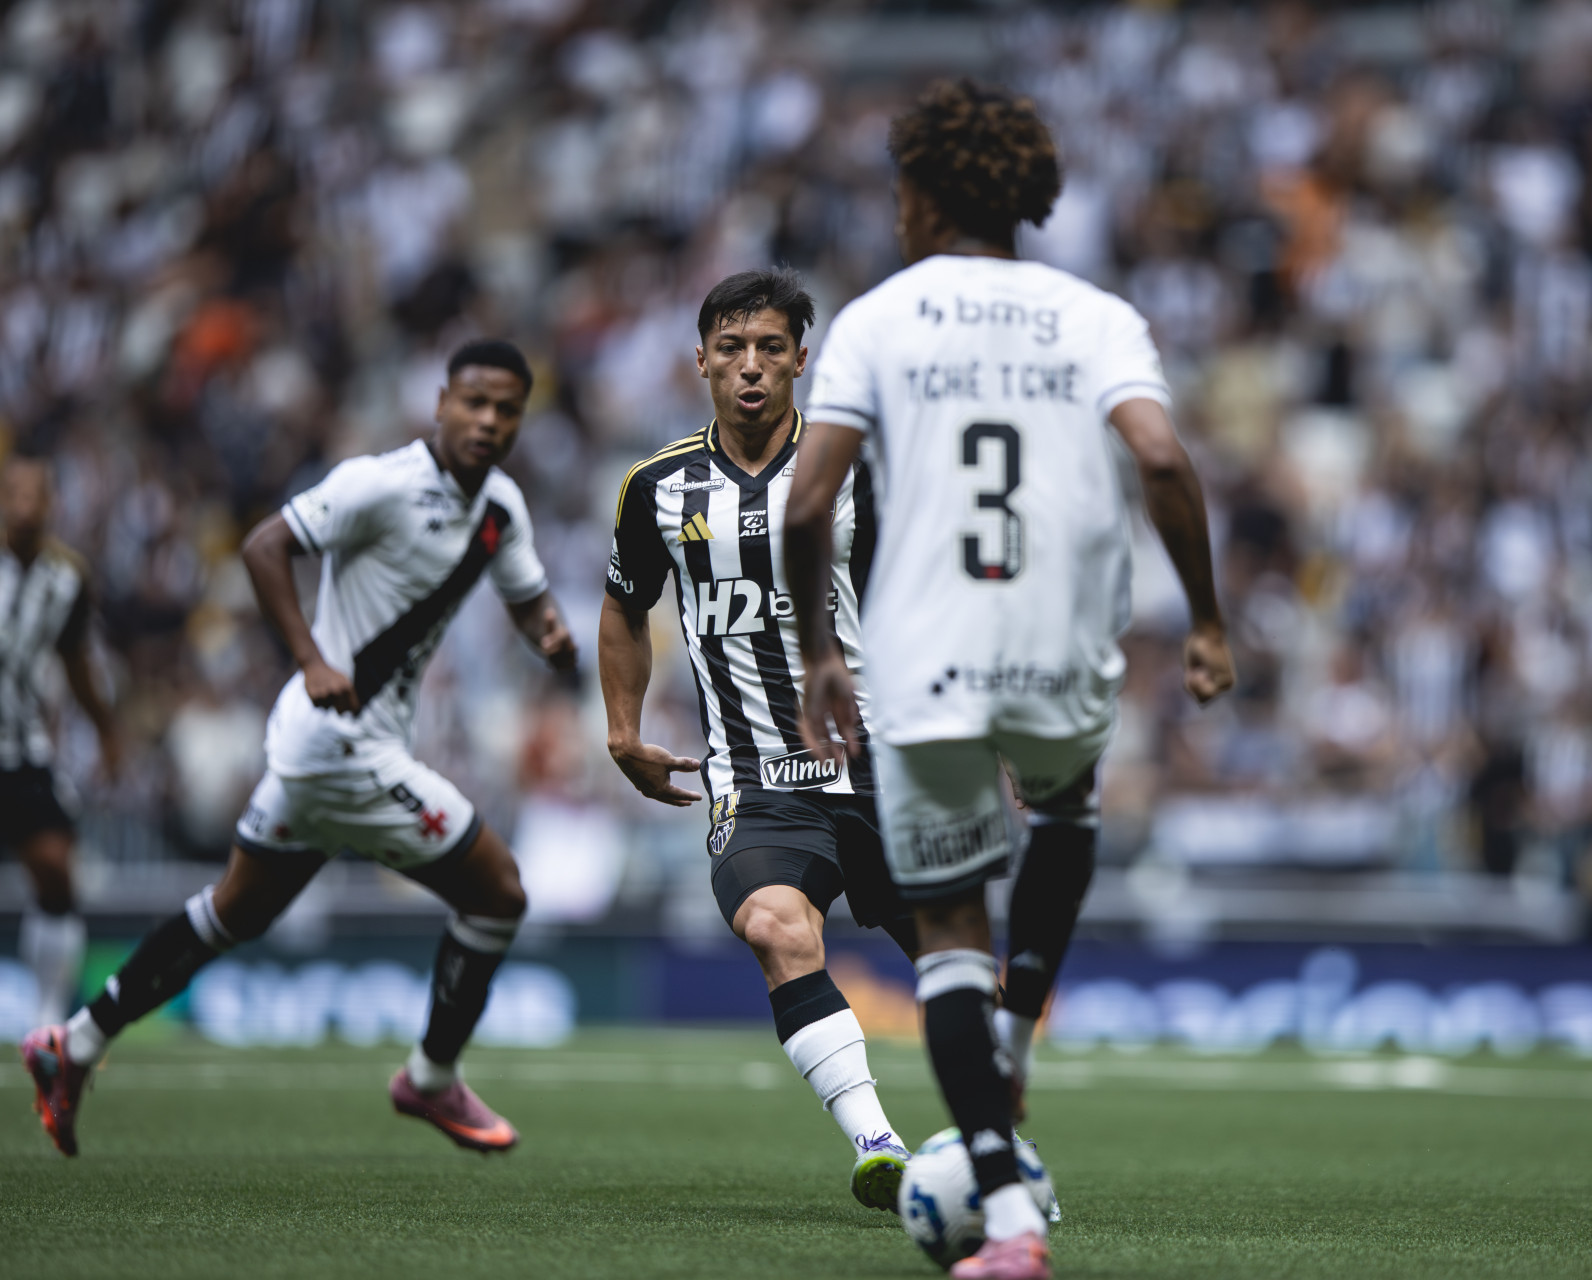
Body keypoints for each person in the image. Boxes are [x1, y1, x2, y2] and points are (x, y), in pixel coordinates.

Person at [785, 80, 1235, 1279]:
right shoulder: (1097, 317)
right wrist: (1206, 619)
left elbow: (811, 502)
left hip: (923, 660)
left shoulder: (878, 320)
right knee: (1067, 804)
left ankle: (1008, 1218)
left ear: (924, 193)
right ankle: (1020, 1026)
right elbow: (1161, 459)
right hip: (1059, 645)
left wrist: (822, 652)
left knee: (946, 936)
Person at [19, 339, 576, 1158]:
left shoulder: (500, 508)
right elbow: (264, 545)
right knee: (498, 892)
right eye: (474, 402)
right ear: (440, 404)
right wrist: (312, 659)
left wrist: (548, 632)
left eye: (506, 410)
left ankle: (73, 1042)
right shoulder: (378, 484)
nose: (488, 421)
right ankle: (430, 1078)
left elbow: (528, 597)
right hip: (340, 743)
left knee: (231, 913)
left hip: (327, 745)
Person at [600, 267, 917, 1211]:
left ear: (800, 360)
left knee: (957, 963)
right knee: (776, 926)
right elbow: (624, 607)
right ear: (700, 360)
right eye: (731, 348)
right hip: (755, 775)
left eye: (770, 348)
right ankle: (878, 1142)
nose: (750, 366)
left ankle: (998, 1146)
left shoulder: (857, 468)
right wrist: (622, 730)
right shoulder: (656, 488)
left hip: (882, 763)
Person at [0, 454, 121, 1030]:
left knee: (54, 867)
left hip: (21, 746)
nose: (25, 506)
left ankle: (47, 1015)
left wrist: (106, 730)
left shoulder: (66, 579)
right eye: (14, 494)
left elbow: (76, 664)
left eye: (36, 496)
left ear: (52, 505)